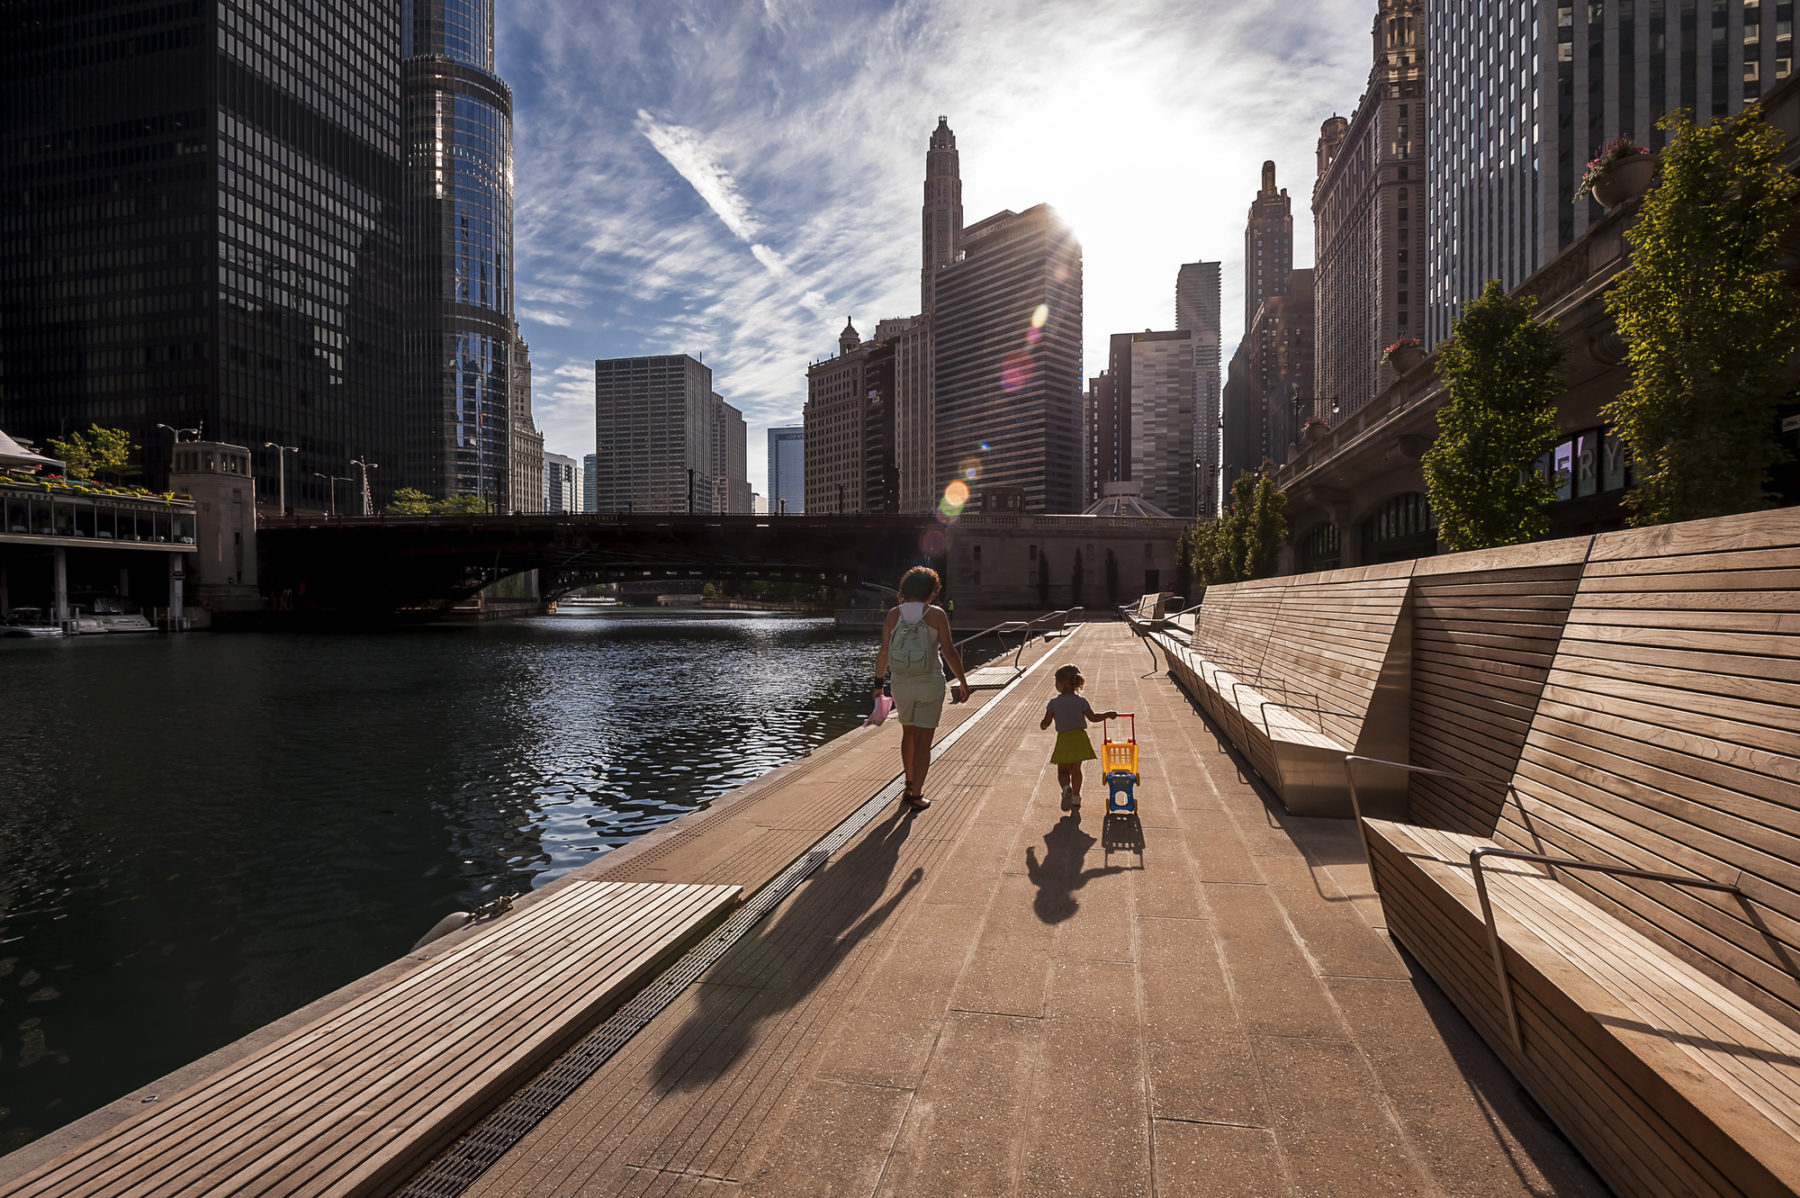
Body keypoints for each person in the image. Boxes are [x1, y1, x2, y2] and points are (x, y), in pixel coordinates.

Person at [873, 566, 969, 810]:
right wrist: (962, 680)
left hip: (901, 683)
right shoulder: (936, 614)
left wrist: (878, 684)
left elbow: (884, 652)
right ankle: (916, 795)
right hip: (929, 682)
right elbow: (948, 651)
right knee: (924, 741)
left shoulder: (894, 614)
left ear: (906, 588)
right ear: (931, 590)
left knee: (908, 734)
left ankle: (908, 783)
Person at [1038, 664, 1118, 815]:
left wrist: (1043, 725)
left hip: (1064, 740)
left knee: (1063, 772)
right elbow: (1093, 718)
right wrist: (1107, 714)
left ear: (1062, 684)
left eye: (1056, 682)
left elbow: (1046, 723)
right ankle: (1075, 797)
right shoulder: (1082, 701)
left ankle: (1065, 788)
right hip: (1080, 739)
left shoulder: (1054, 703)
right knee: (1076, 770)